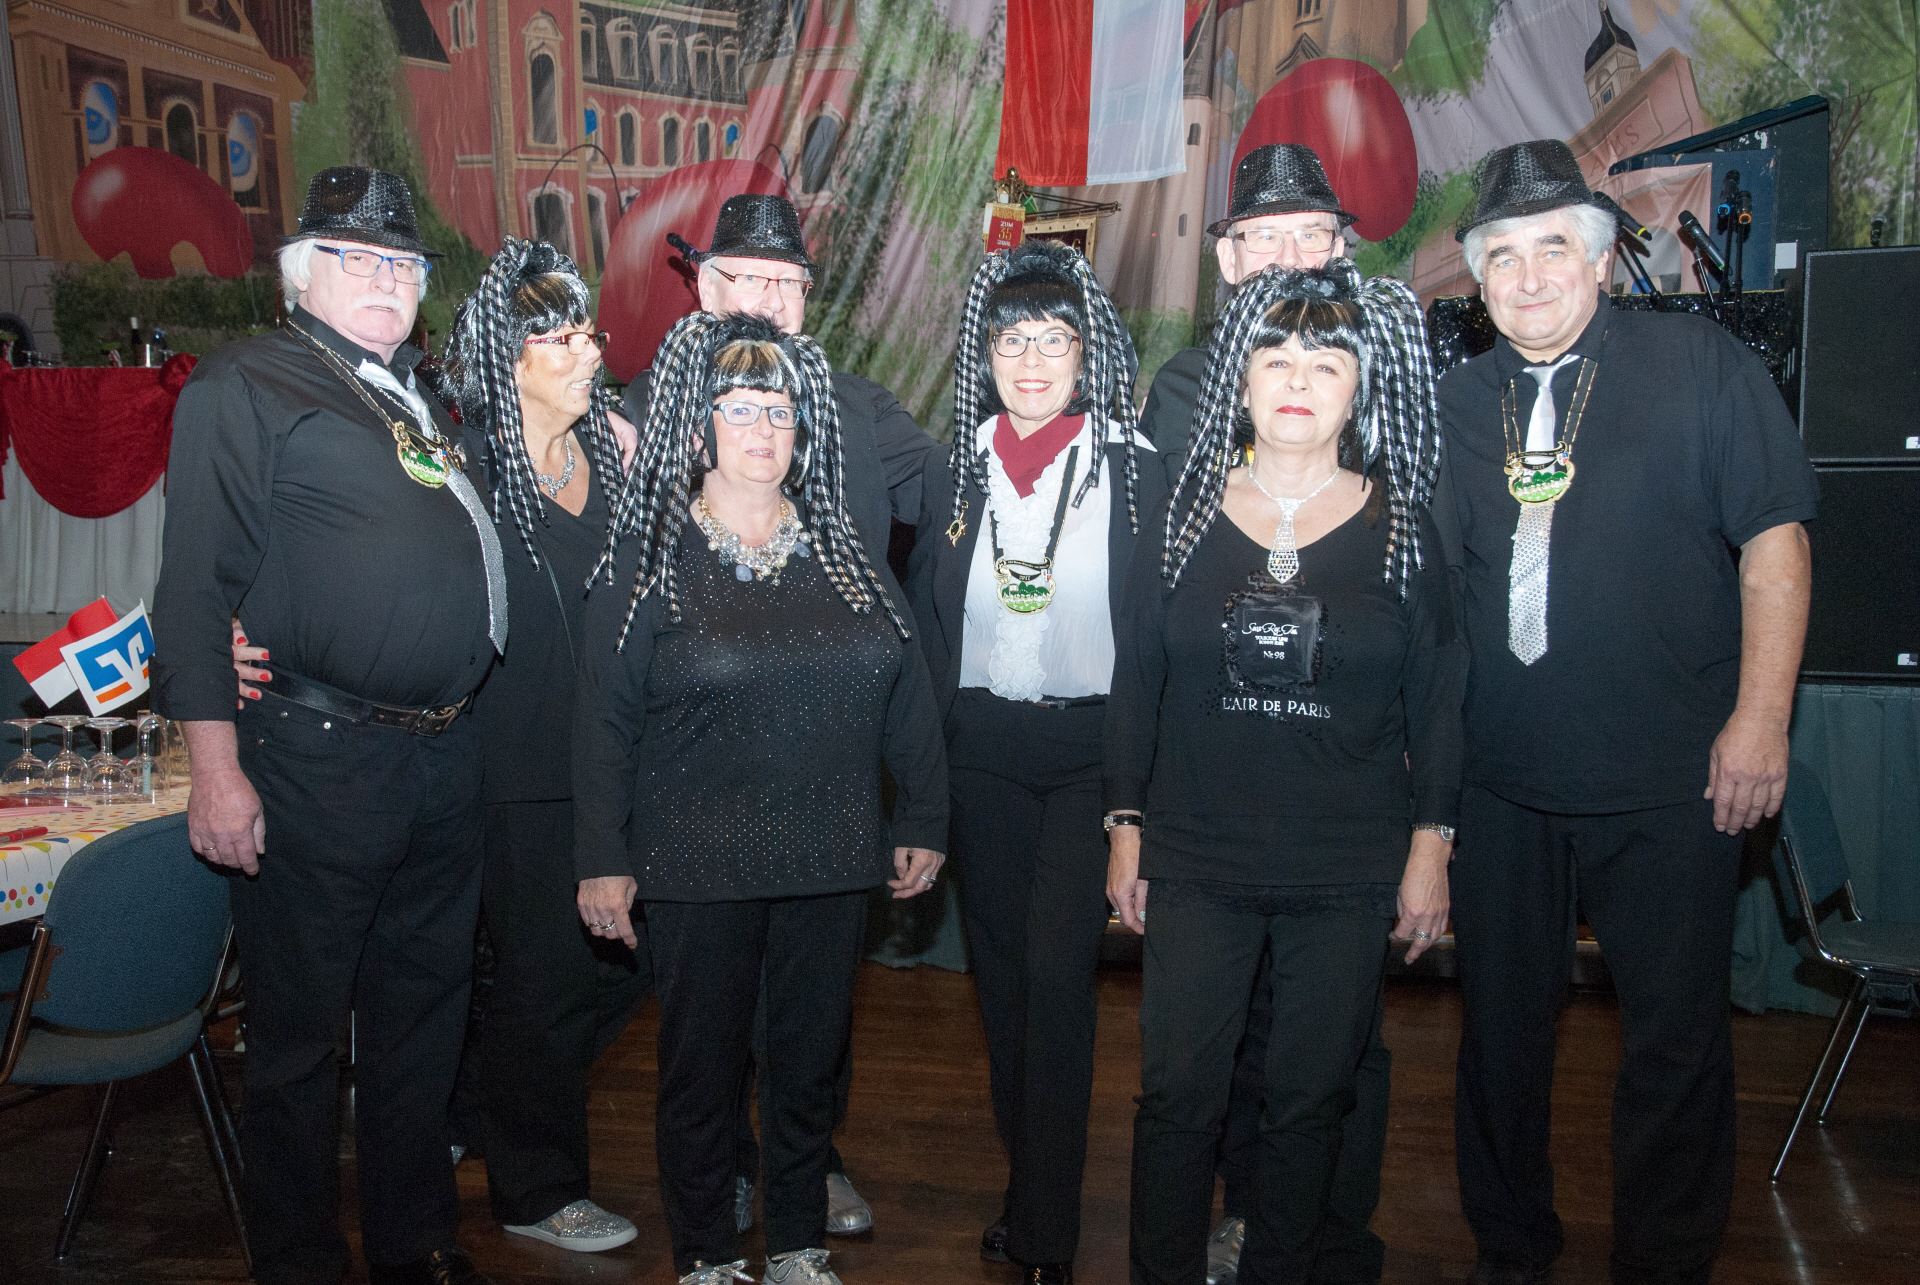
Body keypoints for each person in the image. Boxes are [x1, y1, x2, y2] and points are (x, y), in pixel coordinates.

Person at [1437, 140, 1816, 1285]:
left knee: (1674, 1043)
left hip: (1669, 779)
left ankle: (1663, 1263)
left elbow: (1777, 543)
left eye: (1554, 246)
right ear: (1479, 279)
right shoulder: (1457, 402)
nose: (1530, 275)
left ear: (1601, 260)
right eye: (1503, 255)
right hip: (1500, 784)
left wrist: (1761, 720)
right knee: (1498, 1042)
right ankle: (1512, 1250)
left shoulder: (1699, 366)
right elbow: (1432, 600)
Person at [153, 167, 503, 1285]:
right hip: (314, 757)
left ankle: (417, 1241)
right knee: (299, 1040)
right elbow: (194, 590)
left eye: (403, 262)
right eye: (358, 257)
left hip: (442, 757)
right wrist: (216, 771)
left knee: (423, 1023)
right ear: (300, 273)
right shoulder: (246, 382)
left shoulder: (420, 394)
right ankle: (299, 1259)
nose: (387, 279)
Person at [573, 312, 949, 1285]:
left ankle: (795, 1243)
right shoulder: (647, 556)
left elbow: (906, 684)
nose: (762, 429)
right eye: (738, 409)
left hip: (831, 851)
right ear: (698, 428)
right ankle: (705, 1252)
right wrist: (602, 855)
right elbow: (604, 722)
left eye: (778, 411)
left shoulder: (845, 548)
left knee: (807, 1064)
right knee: (701, 1070)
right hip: (697, 858)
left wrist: (923, 812)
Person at [1107, 262, 1463, 1285]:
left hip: (1344, 867)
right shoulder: (1179, 517)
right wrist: (1125, 827)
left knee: (1311, 1105)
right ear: (1241, 380)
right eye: (1275, 358)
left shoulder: (1403, 528)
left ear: (1360, 390)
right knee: (1178, 1098)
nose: (1298, 379)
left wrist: (1431, 846)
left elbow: (1441, 697)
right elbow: (1138, 679)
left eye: (1325, 362)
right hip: (1198, 858)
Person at [1137, 142, 1394, 1285]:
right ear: (1228, 259)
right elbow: (1159, 613)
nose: (1289, 254)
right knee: (1205, 1054)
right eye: (1263, 236)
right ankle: (1231, 1221)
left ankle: (1321, 1236)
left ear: (1343, 246)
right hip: (1216, 790)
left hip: (1342, 793)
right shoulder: (1184, 391)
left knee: (1335, 1056)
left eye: (1309, 233)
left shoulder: (1383, 377)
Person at [904, 239, 1164, 1285]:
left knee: (1058, 981)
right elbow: (929, 628)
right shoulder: (953, 466)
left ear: (1086, 353)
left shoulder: (1133, 469)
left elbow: (1149, 644)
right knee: (1004, 987)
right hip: (981, 754)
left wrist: (1133, 806)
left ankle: (1048, 1228)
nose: (1032, 362)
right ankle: (1030, 1186)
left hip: (1087, 755)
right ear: (986, 355)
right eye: (1012, 342)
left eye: (1055, 341)